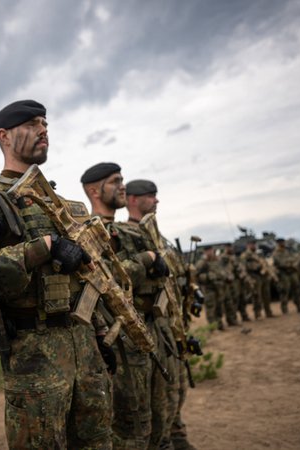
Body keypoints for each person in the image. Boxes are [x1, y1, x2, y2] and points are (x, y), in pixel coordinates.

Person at [0, 100, 114, 449]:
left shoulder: (64, 206)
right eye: (30, 124)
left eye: (44, 123)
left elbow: (90, 277)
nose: (43, 130)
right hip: (34, 355)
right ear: (4, 137)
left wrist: (102, 333)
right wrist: (41, 247)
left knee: (97, 440)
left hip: (84, 345)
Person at [81, 164, 171, 449]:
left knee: (150, 414)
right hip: (115, 339)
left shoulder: (124, 231)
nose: (123, 186)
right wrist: (146, 259)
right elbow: (105, 276)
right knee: (127, 423)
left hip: (139, 330)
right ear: (94, 191)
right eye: (115, 181)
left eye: (122, 180)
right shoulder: (89, 231)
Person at [124, 179, 197, 450]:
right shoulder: (127, 234)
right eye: (150, 196)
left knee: (176, 390)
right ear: (133, 199)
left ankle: (176, 437)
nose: (156, 201)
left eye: (155, 196)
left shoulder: (159, 238)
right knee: (153, 399)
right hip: (146, 325)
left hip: (169, 323)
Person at [240, 240, 274, 319]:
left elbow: (264, 263)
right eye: (252, 244)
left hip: (263, 276)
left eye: (254, 244)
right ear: (248, 245)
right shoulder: (245, 255)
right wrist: (248, 278)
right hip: (254, 276)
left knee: (266, 295)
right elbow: (243, 268)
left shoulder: (258, 254)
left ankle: (268, 312)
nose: (253, 246)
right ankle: (257, 314)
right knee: (257, 296)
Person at [273, 238, 300, 313]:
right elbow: (281, 263)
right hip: (284, 273)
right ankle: (284, 308)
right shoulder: (276, 253)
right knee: (285, 290)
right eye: (280, 243)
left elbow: (294, 258)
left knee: (296, 289)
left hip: (292, 272)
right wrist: (291, 264)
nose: (282, 244)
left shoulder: (287, 251)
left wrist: (292, 263)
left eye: (283, 242)